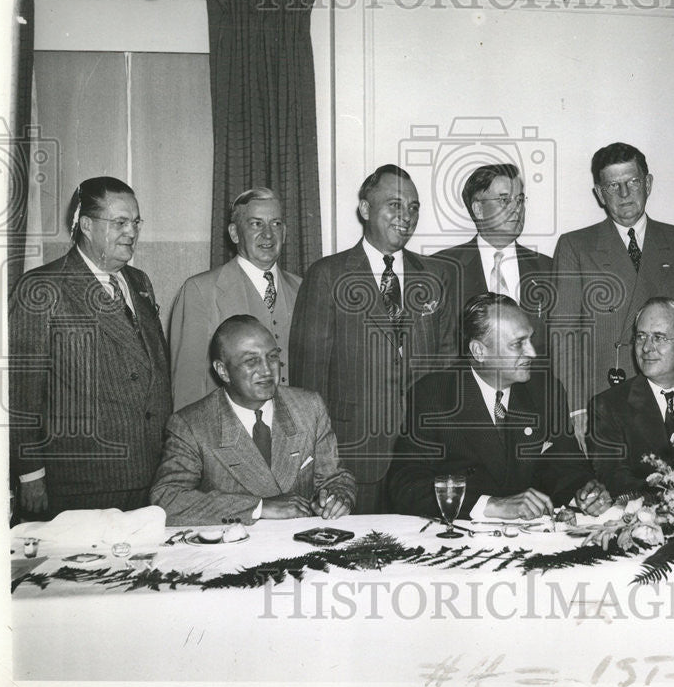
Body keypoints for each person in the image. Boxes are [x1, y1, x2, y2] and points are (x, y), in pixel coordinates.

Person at [289, 165, 456, 514]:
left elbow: (446, 368)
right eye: (394, 205)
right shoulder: (327, 276)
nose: (406, 216)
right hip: (351, 462)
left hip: (422, 459)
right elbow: (308, 385)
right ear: (365, 209)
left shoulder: (437, 276)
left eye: (413, 207)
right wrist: (322, 469)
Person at [9, 176, 172, 515]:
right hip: (83, 484)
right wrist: (30, 476)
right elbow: (19, 395)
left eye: (136, 222)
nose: (132, 232)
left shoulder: (139, 282)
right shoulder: (42, 288)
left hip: (150, 475)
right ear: (86, 224)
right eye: (120, 223)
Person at [388, 293, 611, 520]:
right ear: (479, 351)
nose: (532, 353)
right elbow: (407, 485)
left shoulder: (546, 390)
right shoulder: (434, 394)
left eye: (530, 339)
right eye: (518, 344)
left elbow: (567, 467)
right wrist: (490, 505)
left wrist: (584, 492)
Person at [551, 142, 674, 443]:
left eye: (632, 182)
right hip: (603, 399)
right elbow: (565, 337)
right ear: (599, 194)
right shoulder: (576, 246)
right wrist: (575, 408)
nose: (624, 194)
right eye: (613, 185)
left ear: (648, 183)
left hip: (669, 395)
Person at [151, 316, 355, 525]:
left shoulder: (309, 406)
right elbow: (166, 499)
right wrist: (258, 507)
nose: (267, 370)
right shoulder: (191, 425)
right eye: (251, 361)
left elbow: (336, 478)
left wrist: (336, 497)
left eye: (272, 357)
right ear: (223, 371)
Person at [169, 187, 302, 410]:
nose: (268, 234)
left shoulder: (303, 289)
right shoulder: (200, 291)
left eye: (276, 224)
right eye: (256, 224)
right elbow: (187, 388)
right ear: (234, 233)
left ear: (285, 232)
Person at [589, 298, 674, 497]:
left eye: (659, 337)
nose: (646, 347)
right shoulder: (609, 406)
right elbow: (614, 479)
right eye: (641, 336)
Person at [434, 163, 552, 354]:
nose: (516, 209)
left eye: (520, 200)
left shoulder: (548, 269)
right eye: (504, 200)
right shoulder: (443, 269)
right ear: (478, 209)